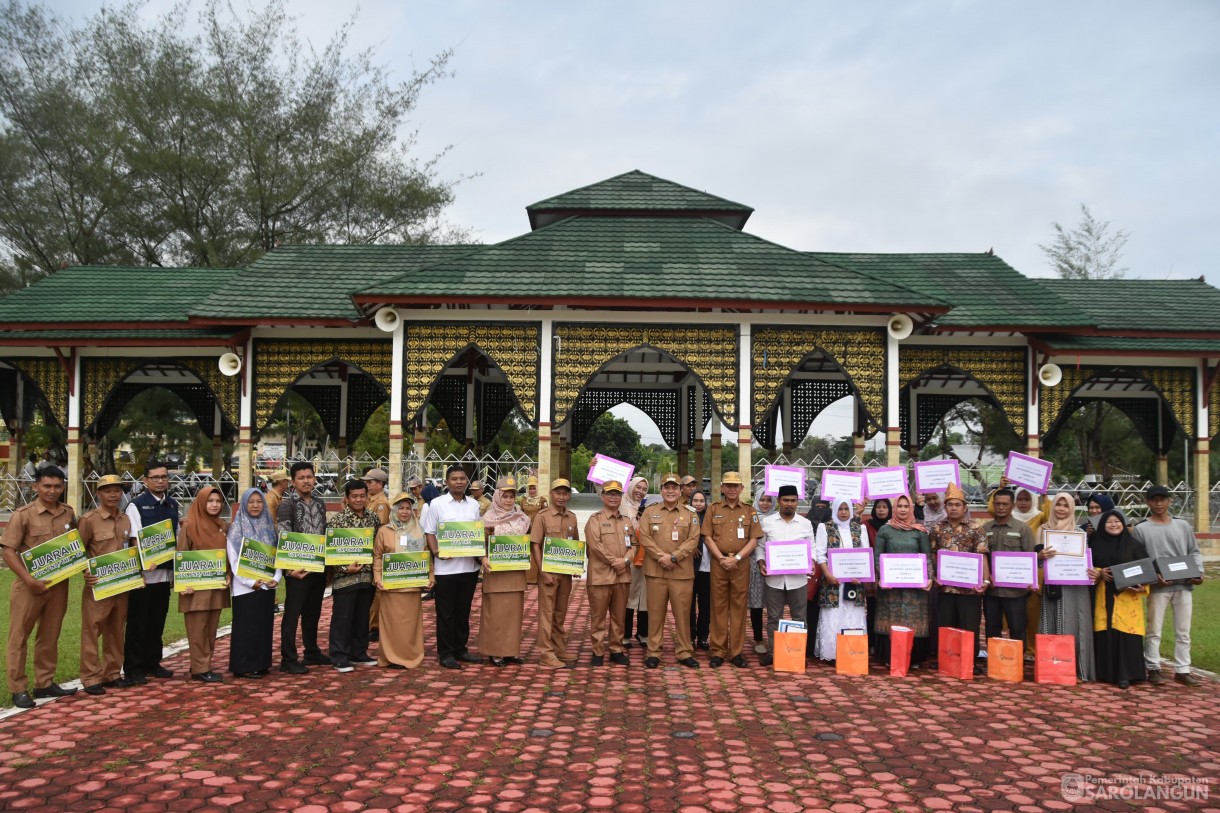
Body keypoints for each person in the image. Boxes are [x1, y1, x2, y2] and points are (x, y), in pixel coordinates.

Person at [2, 466, 77, 708]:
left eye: (57, 486)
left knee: (50, 635)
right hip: (28, 586)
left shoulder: (68, 513)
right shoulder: (23, 515)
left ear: (63, 487)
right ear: (36, 487)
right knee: (19, 637)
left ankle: (44, 683)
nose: (52, 491)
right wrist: (30, 580)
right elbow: (8, 551)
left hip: (59, 586)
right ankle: (18, 688)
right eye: (47, 486)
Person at [1134, 484, 1205, 686]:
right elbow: (1139, 559)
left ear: (1169, 501)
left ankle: (1183, 670)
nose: (1158, 503)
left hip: (1184, 584)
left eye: (1162, 499)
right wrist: (1153, 576)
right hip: (1158, 587)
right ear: (1147, 502)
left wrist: (1199, 572)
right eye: (1154, 500)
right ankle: (1154, 668)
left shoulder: (1182, 526)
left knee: (1183, 631)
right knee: (1154, 630)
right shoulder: (1141, 529)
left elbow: (1194, 552)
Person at [421, 465, 486, 669]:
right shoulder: (437, 504)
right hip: (446, 570)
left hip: (468, 568)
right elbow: (430, 533)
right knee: (446, 612)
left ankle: (461, 649)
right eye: (454, 478)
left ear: (467, 481)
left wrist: (479, 555)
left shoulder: (474, 505)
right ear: (447, 482)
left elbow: (477, 533)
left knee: (463, 611)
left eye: (462, 478)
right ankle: (446, 652)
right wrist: (437, 553)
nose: (459, 482)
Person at [78, 474, 136, 695]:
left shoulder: (125, 520)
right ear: (98, 493)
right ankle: (91, 677)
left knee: (116, 630)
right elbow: (78, 551)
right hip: (98, 586)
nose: (113, 495)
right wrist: (85, 571)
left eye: (117, 490)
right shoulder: (88, 520)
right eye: (108, 491)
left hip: (121, 586)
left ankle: (112, 674)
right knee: (92, 630)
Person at [638, 473, 702, 669]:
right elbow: (645, 537)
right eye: (667, 487)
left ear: (680, 491)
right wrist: (661, 557)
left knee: (683, 614)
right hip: (656, 571)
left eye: (675, 487)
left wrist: (674, 557)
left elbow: (693, 540)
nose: (671, 491)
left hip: (681, 573)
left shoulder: (690, 513)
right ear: (661, 490)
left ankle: (684, 651)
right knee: (655, 614)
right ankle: (654, 651)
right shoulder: (650, 511)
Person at [124, 460, 179, 684]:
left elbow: (176, 538)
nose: (160, 481)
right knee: (138, 622)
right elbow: (134, 540)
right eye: (155, 477)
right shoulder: (136, 506)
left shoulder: (173, 505)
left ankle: (152, 663)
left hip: (164, 573)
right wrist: (144, 563)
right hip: (144, 576)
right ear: (145, 481)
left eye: (164, 477)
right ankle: (134, 667)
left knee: (158, 620)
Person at [701, 472, 762, 668]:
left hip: (740, 563)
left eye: (736, 485)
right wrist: (720, 558)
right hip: (718, 563)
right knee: (717, 607)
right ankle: (717, 651)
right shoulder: (713, 509)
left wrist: (736, 558)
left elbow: (754, 539)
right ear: (722, 488)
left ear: (742, 488)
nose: (732, 489)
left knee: (738, 608)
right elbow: (707, 537)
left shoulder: (750, 510)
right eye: (728, 485)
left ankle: (736, 652)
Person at [929, 482, 990, 673]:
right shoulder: (937, 529)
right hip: (945, 587)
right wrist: (935, 575)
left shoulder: (976, 529)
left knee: (969, 625)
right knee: (945, 625)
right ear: (944, 507)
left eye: (957, 505)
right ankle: (946, 660)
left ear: (965, 508)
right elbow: (933, 555)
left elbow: (982, 556)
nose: (953, 508)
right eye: (949, 505)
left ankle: (968, 661)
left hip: (969, 589)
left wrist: (986, 581)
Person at [277, 461, 330, 674]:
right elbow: (283, 537)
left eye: (309, 477)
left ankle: (312, 651)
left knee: (313, 612)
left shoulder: (320, 503)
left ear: (314, 478)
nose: (306, 481)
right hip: (297, 570)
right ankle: (288, 658)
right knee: (292, 613)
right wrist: (289, 571)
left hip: (317, 567)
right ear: (293, 482)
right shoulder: (287, 505)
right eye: (301, 478)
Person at [1088, 509, 1150, 689]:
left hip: (1127, 597)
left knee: (1126, 634)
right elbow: (1086, 567)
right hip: (1103, 595)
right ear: (1102, 524)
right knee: (1106, 632)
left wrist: (1141, 587)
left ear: (1123, 524)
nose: (1113, 524)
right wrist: (1100, 572)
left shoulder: (1134, 545)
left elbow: (1146, 570)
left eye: (1117, 521)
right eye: (1109, 521)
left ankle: (1127, 674)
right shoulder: (1094, 544)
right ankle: (1106, 673)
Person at [1038, 492, 1095, 682]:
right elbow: (1036, 563)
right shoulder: (1043, 530)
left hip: (1076, 587)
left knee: (1075, 623)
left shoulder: (1079, 532)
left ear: (1071, 508)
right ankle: (1052, 669)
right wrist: (1040, 556)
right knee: (1052, 621)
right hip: (1053, 585)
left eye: (1065, 505)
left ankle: (1076, 670)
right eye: (1058, 505)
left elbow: (1085, 561)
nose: (1061, 509)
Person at [225, 488, 281, 679]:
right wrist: (250, 582)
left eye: (259, 501)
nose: (255, 505)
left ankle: (261, 663)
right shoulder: (236, 528)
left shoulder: (269, 527)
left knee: (264, 626)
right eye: (251, 502)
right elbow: (234, 561)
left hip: (266, 586)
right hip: (244, 588)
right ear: (244, 504)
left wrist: (277, 578)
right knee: (246, 627)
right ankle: (243, 667)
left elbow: (277, 557)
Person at [178, 487, 231, 683]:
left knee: (210, 630)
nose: (215, 504)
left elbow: (227, 556)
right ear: (201, 502)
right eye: (210, 501)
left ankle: (203, 666)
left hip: (216, 586)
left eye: (218, 501)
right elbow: (182, 554)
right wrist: (183, 583)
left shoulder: (222, 526)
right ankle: (200, 668)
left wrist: (228, 575)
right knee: (197, 629)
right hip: (195, 588)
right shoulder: (189, 526)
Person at [326, 479, 380, 672]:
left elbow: (377, 547)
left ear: (367, 497)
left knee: (361, 617)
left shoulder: (373, 518)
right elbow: (329, 551)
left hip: (366, 578)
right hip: (345, 577)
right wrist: (343, 567)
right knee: (342, 617)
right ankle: (339, 656)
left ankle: (359, 653)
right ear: (346, 498)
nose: (359, 500)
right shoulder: (337, 521)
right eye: (354, 496)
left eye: (362, 496)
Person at [757, 485, 813, 668]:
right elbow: (760, 546)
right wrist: (761, 562)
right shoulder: (768, 522)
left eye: (793, 500)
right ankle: (773, 652)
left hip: (798, 579)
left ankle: (797, 653)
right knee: (774, 617)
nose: (789, 504)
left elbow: (812, 548)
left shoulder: (805, 524)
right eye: (785, 500)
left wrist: (810, 561)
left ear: (798, 502)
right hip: (774, 579)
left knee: (800, 618)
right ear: (778, 501)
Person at [873, 493, 932, 668]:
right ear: (895, 509)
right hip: (890, 587)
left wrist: (929, 577)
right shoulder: (885, 530)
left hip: (915, 589)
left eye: (906, 506)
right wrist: (880, 578)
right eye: (900, 506)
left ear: (911, 508)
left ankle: (913, 658)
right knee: (891, 619)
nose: (903, 509)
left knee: (912, 619)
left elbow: (927, 557)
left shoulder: (919, 530)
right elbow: (878, 557)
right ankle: (889, 657)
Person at [373, 493, 430, 669]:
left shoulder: (419, 531)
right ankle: (391, 657)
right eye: (401, 508)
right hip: (391, 587)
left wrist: (431, 577)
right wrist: (378, 578)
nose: (404, 512)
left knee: (409, 624)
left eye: (408, 508)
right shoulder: (384, 531)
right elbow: (378, 557)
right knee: (392, 624)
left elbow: (427, 556)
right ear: (395, 510)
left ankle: (410, 656)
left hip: (412, 587)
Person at [530, 478, 581, 668]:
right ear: (551, 494)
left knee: (560, 612)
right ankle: (546, 653)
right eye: (558, 493)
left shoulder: (572, 517)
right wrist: (542, 571)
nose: (561, 496)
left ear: (569, 495)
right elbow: (535, 544)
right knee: (547, 613)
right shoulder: (542, 516)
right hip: (548, 573)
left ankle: (559, 649)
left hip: (565, 573)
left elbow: (574, 544)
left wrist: (576, 566)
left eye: (565, 493)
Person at [480, 476, 530, 667]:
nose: (509, 500)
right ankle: (495, 652)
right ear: (497, 496)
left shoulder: (523, 518)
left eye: (512, 496)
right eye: (505, 496)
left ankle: (510, 651)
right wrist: (482, 558)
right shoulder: (487, 519)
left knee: (513, 614)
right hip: (495, 573)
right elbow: (479, 544)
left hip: (515, 573)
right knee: (496, 614)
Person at [583, 480, 633, 667]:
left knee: (619, 617)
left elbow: (634, 546)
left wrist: (626, 560)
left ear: (621, 497)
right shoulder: (595, 520)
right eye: (610, 493)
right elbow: (595, 546)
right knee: (598, 618)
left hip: (622, 576)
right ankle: (597, 651)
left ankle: (616, 649)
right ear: (602, 496)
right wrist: (616, 562)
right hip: (600, 577)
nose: (613, 497)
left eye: (617, 494)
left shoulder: (626, 521)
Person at [813, 497, 868, 662]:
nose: (843, 512)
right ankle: (832, 653)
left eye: (846, 509)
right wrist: (828, 574)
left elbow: (865, 554)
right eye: (840, 509)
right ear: (835, 510)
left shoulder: (860, 528)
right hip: (833, 581)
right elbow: (820, 554)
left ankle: (852, 652)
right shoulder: (825, 527)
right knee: (833, 615)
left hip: (854, 582)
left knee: (852, 614)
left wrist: (861, 576)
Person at [981, 489, 1036, 649]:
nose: (1001, 507)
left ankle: (1016, 666)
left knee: (1017, 629)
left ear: (1012, 505)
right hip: (992, 590)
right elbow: (981, 557)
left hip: (1015, 591)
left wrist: (1028, 582)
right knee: (992, 629)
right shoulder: (985, 528)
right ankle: (995, 663)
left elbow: (1029, 557)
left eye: (1005, 504)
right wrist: (986, 576)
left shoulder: (1022, 529)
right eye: (997, 504)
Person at [362, 468, 391, 643]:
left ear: (380, 484)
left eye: (370, 482)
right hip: (365, 549)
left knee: (376, 590)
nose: (367, 485)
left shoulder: (381, 503)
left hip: (374, 551)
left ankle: (374, 626)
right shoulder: (369, 500)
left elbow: (378, 530)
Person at [622, 475, 651, 648]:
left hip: (646, 558)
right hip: (628, 557)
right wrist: (595, 470)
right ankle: (625, 635)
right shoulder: (622, 504)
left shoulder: (647, 508)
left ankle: (643, 633)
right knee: (628, 597)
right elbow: (601, 490)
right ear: (631, 487)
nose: (640, 491)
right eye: (638, 487)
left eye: (644, 489)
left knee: (645, 598)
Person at [747, 491, 774, 654]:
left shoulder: (778, 518)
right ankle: (758, 638)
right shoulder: (750, 516)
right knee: (756, 604)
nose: (765, 503)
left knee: (774, 604)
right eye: (762, 500)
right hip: (754, 564)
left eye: (769, 500)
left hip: (775, 563)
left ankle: (775, 638)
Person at [687, 490, 711, 650]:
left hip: (708, 568)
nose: (698, 504)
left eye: (701, 501)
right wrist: (692, 546)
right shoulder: (685, 516)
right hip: (690, 568)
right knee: (689, 606)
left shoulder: (710, 518)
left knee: (706, 606)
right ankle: (689, 637)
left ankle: (703, 637)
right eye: (695, 500)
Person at [518, 475, 548, 584]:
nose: (532, 491)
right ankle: (527, 578)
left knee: (537, 552)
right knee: (527, 553)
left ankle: (537, 578)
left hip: (539, 531)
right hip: (526, 531)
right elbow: (520, 514)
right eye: (530, 488)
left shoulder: (542, 500)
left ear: (537, 488)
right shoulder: (523, 500)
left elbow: (546, 515)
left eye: (534, 488)